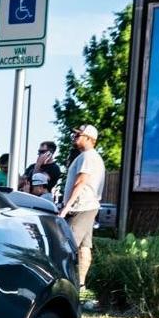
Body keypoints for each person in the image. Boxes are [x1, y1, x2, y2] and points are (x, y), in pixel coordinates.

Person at [59, 124, 106, 289]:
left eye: (78, 135)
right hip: (89, 207)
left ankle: (65, 284)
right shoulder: (93, 157)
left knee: (66, 246)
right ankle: (81, 285)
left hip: (80, 207)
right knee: (84, 247)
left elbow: (80, 182)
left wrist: (66, 208)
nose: (74, 137)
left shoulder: (87, 157)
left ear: (89, 138)